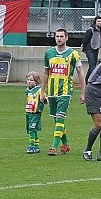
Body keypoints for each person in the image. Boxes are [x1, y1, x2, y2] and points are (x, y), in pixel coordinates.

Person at [41, 28, 86, 156]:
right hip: (52, 91)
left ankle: (53, 148)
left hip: (65, 92)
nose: (59, 38)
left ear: (66, 38)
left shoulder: (73, 54)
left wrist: (83, 93)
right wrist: (42, 91)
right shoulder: (49, 53)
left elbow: (81, 73)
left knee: (60, 118)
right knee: (57, 119)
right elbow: (45, 73)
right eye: (57, 36)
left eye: (61, 36)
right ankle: (65, 145)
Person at [24, 71, 45, 154]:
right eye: (28, 80)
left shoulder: (39, 90)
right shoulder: (27, 90)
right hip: (28, 113)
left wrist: (44, 100)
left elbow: (44, 98)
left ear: (36, 81)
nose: (29, 81)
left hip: (35, 113)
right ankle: (36, 146)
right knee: (32, 129)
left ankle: (31, 146)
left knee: (32, 129)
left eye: (31, 80)